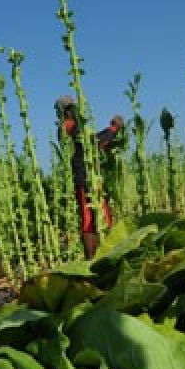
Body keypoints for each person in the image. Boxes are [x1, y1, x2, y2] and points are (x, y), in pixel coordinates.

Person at [56, 97, 124, 259]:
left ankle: (105, 254)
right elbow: (93, 142)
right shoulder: (68, 126)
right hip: (84, 177)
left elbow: (92, 141)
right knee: (89, 219)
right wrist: (113, 130)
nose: (75, 111)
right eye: (71, 108)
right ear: (66, 111)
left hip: (89, 176)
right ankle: (92, 260)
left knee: (101, 215)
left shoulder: (73, 126)